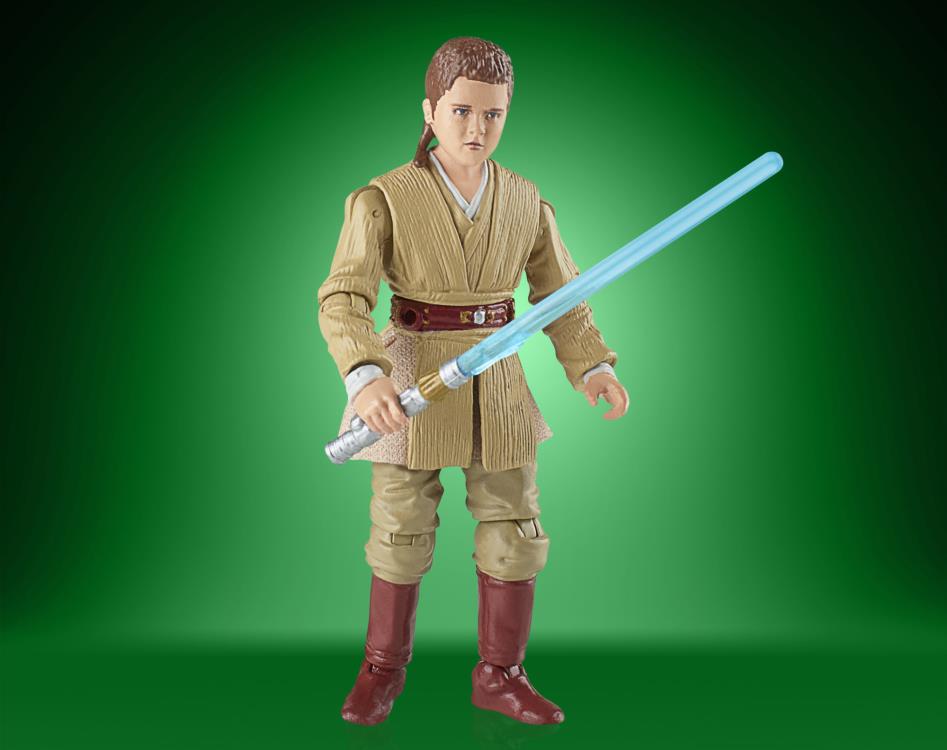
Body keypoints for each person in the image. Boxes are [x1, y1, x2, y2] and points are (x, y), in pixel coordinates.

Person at [317, 36, 629, 726]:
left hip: (499, 378)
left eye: (492, 114)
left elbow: (561, 295)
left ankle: (501, 674)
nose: (476, 128)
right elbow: (343, 297)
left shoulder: (524, 200)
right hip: (412, 375)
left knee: (514, 526)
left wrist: (592, 365)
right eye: (460, 111)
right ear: (430, 111)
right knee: (399, 529)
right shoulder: (383, 199)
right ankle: (381, 668)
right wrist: (364, 374)